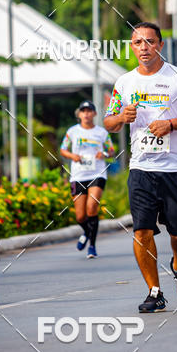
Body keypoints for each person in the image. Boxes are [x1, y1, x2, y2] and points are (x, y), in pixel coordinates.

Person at [104, 22, 177, 312]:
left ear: (160, 45)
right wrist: (120, 119)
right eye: (138, 43)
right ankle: (154, 292)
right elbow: (109, 122)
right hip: (141, 168)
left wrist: (172, 124)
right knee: (142, 231)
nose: (144, 48)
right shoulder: (124, 83)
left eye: (150, 42)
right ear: (132, 47)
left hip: (176, 169)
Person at [60, 101, 115, 258]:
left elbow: (111, 150)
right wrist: (72, 156)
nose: (86, 114)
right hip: (78, 175)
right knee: (80, 216)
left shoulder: (102, 132)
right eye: (83, 111)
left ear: (94, 114)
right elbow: (63, 149)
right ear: (79, 114)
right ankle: (86, 231)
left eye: (89, 111)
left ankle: (92, 245)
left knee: (92, 208)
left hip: (97, 174)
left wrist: (103, 154)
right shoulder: (72, 131)